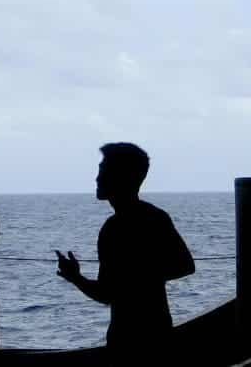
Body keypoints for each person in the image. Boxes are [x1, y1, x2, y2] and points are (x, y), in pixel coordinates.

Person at [56, 142, 194, 365]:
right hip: (157, 337)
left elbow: (106, 294)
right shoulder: (154, 217)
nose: (97, 179)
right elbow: (185, 265)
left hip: (128, 343)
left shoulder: (114, 228)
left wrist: (76, 278)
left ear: (122, 177)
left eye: (103, 171)